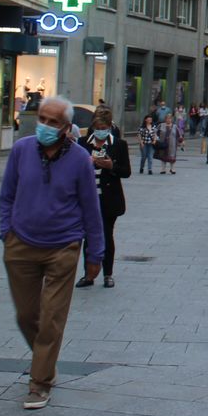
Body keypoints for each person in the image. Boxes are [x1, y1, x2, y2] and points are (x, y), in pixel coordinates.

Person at [0, 95, 103, 410]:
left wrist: (95, 254)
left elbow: (91, 209)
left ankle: (39, 382)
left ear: (67, 128)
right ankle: (46, 362)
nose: (44, 125)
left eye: (52, 122)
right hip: (21, 244)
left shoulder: (81, 159)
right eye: (42, 118)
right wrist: (7, 232)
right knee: (26, 316)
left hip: (63, 246)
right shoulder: (21, 150)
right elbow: (7, 195)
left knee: (51, 319)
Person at [78, 109, 131, 289]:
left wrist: (111, 166)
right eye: (98, 127)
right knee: (88, 237)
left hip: (109, 199)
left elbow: (126, 172)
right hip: (87, 199)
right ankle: (88, 274)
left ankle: (108, 274)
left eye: (104, 127)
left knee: (107, 236)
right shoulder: (83, 143)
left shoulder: (119, 145)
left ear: (110, 127)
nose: (101, 131)